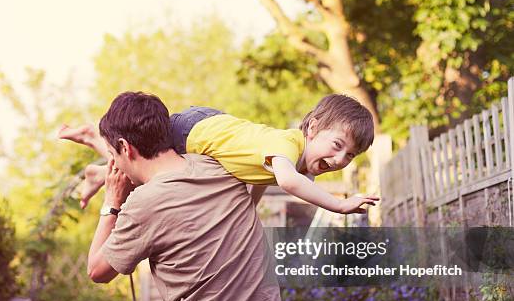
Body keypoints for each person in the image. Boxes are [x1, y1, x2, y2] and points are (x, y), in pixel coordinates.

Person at [84, 91, 303, 301]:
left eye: (114, 155)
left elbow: (97, 270)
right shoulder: (220, 165)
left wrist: (111, 203)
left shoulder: (144, 203)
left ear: (125, 147)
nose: (115, 166)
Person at [59, 94, 379, 212]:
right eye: (337, 146)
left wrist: (247, 213)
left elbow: (258, 182)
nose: (339, 160)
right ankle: (93, 138)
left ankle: (98, 174)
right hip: (191, 133)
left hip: (208, 123)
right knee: (144, 169)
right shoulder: (289, 146)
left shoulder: (291, 159)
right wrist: (339, 204)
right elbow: (288, 183)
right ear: (313, 128)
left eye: (349, 156)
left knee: (142, 181)